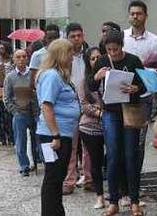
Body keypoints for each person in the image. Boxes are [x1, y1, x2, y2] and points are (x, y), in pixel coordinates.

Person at [88, 30, 147, 216]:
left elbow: (145, 84)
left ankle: (134, 200)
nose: (113, 53)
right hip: (110, 112)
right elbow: (90, 86)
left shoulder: (133, 60)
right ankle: (113, 201)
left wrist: (135, 88)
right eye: (109, 49)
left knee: (131, 156)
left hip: (129, 111)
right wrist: (96, 77)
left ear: (122, 46)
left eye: (116, 49)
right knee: (112, 156)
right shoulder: (102, 61)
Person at [36, 39, 81, 216]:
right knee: (53, 178)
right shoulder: (52, 76)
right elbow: (47, 105)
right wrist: (55, 135)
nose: (72, 57)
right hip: (53, 136)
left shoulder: (60, 76)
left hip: (63, 134)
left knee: (57, 176)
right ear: (61, 54)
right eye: (69, 53)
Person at [123, 0, 157, 205]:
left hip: (144, 98)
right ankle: (125, 189)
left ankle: (135, 187)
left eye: (139, 13)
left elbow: (154, 71)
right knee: (123, 145)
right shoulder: (122, 37)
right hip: (123, 98)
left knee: (138, 145)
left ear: (146, 16)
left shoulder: (154, 41)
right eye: (132, 13)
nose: (135, 16)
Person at [4, 49, 40, 176]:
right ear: (13, 59)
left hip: (34, 112)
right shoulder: (10, 77)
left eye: (24, 56)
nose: (21, 59)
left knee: (39, 139)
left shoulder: (33, 74)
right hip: (19, 113)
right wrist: (15, 111)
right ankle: (24, 166)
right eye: (18, 57)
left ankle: (37, 162)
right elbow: (6, 98)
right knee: (20, 141)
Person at [63, 22, 90, 195]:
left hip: (87, 103)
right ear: (67, 38)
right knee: (70, 147)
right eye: (72, 36)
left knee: (88, 145)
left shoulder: (89, 54)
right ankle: (69, 180)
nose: (76, 39)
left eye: (79, 35)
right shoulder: (63, 57)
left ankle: (89, 178)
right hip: (69, 104)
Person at [78, 46, 107, 210]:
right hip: (90, 127)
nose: (96, 60)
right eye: (93, 58)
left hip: (110, 126)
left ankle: (120, 195)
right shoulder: (85, 82)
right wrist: (102, 114)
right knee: (95, 162)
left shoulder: (109, 77)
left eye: (98, 57)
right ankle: (100, 197)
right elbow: (84, 106)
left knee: (114, 160)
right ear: (88, 62)